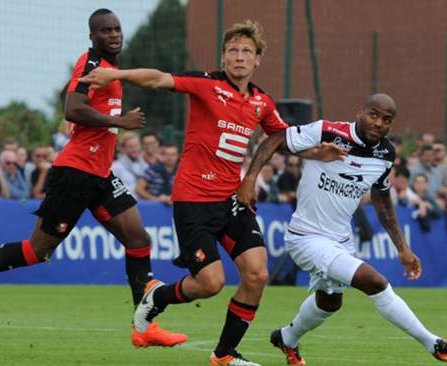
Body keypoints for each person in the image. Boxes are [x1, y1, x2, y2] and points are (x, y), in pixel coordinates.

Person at [81, 19, 342, 366]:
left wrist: (316, 153)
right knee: (210, 283)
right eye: (232, 50)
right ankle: (157, 296)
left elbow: (283, 137)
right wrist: (116, 75)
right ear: (223, 56)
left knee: (257, 274)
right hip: (193, 200)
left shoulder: (261, 102)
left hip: (231, 201)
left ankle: (224, 355)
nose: (239, 57)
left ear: (257, 59)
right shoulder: (206, 84)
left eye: (246, 51)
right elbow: (159, 78)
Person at [0, 8, 186, 349]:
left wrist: (105, 122)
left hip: (99, 173)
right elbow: (72, 108)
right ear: (93, 36)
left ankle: (143, 327)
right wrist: (121, 123)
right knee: (37, 250)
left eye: (117, 29)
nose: (114, 34)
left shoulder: (112, 71)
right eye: (105, 30)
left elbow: (83, 114)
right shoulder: (91, 64)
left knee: (139, 240)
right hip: (75, 173)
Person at [237, 93, 447, 365]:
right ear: (361, 112)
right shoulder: (326, 130)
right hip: (306, 237)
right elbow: (276, 139)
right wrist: (249, 180)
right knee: (375, 282)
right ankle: (434, 344)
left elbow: (382, 201)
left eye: (387, 119)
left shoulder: (386, 153)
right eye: (374, 114)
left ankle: (287, 338)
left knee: (329, 302)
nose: (379, 122)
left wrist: (403, 248)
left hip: (341, 239)